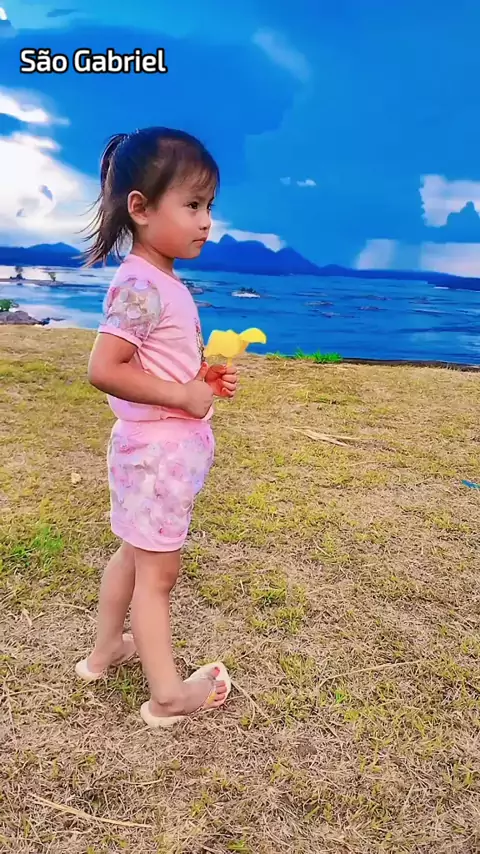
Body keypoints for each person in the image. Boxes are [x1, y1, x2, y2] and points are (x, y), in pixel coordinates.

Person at [74, 127, 238, 728]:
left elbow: (154, 361)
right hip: (159, 456)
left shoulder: (158, 280)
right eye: (192, 205)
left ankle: (104, 653)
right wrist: (182, 395)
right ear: (140, 209)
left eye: (209, 206)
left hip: (151, 452)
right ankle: (167, 694)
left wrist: (199, 376)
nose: (206, 221)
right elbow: (105, 368)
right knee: (158, 575)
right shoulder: (143, 285)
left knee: (134, 552)